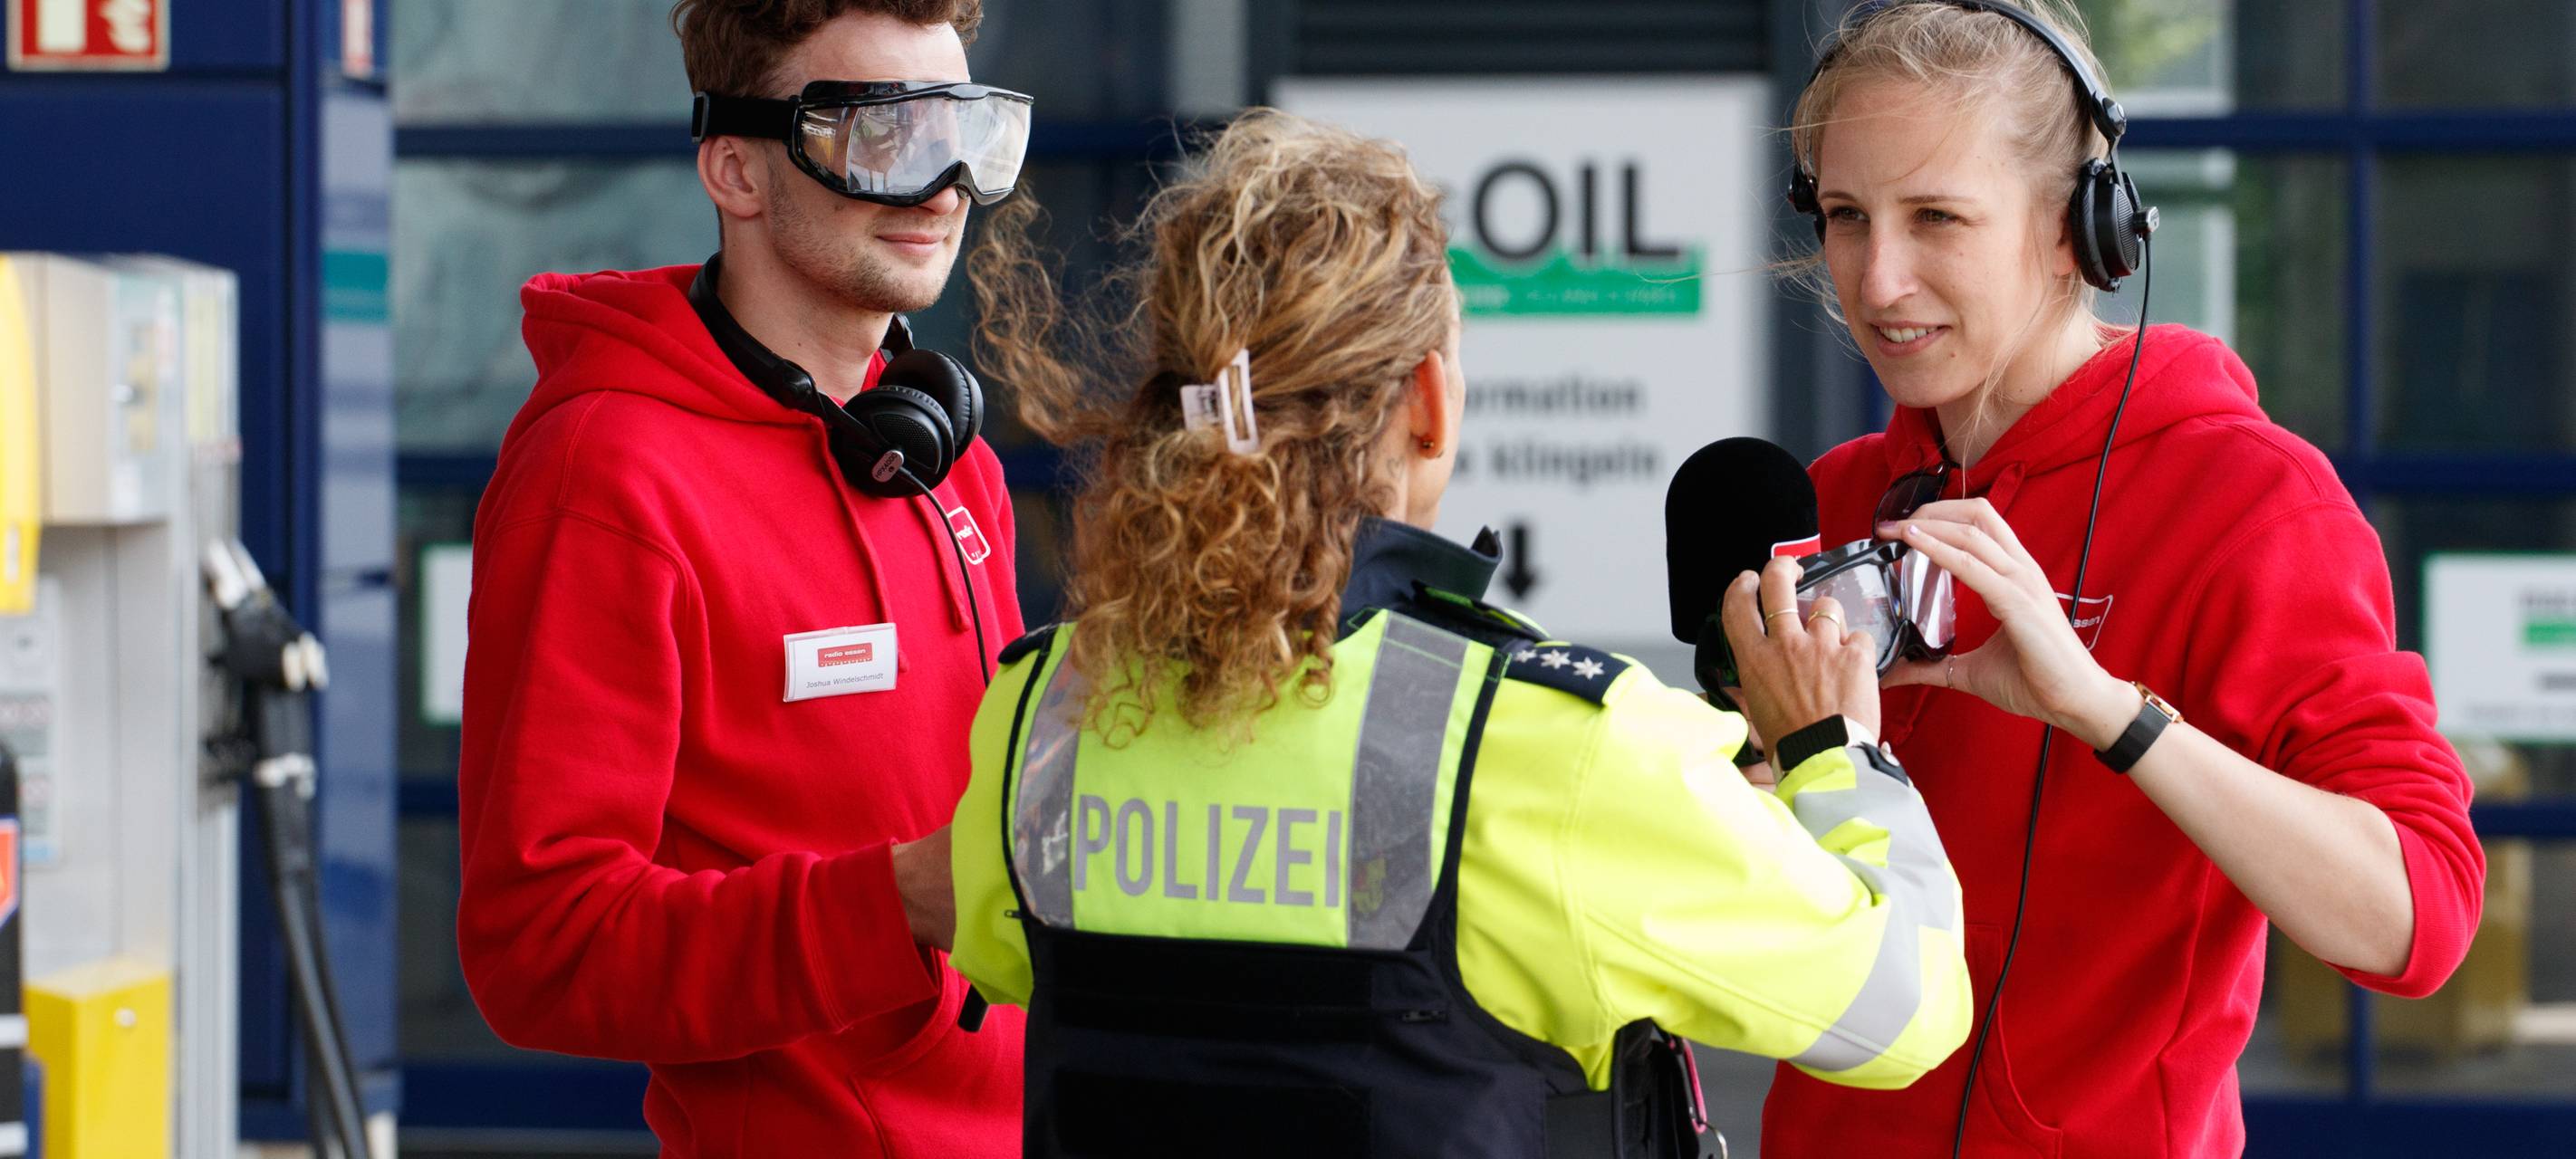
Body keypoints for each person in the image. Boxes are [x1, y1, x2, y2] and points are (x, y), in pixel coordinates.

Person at [929, 109, 1971, 1158]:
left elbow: (999, 947)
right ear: (1429, 399)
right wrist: (1834, 751)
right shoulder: (1564, 749)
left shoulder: (1045, 708)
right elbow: (1907, 1007)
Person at [1766, 3, 2486, 1155]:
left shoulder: (2252, 503)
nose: (1880, 278)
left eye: (1936, 217)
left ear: (2079, 232)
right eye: (1848, 216)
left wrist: (2106, 711)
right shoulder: (1837, 497)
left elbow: (2419, 920)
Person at [455, 2, 1030, 1154]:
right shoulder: (605, 475)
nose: (943, 190)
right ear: (737, 171)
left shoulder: (947, 462)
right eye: (882, 136)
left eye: (969, 133)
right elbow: (539, 946)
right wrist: (895, 901)